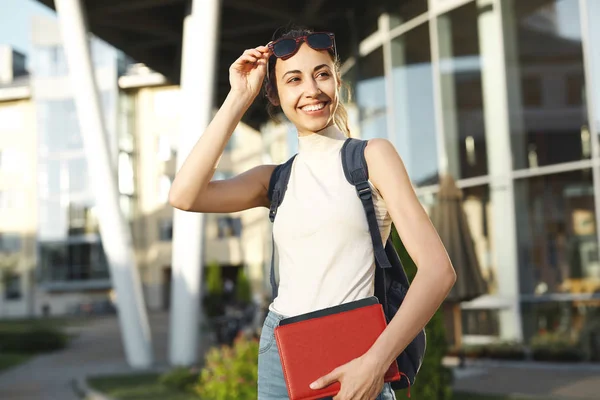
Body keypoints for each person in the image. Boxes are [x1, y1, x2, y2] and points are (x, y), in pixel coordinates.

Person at [169, 27, 456, 400]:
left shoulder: (371, 158)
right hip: (281, 356)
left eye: (322, 74)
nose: (312, 90)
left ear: (337, 80)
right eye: (294, 79)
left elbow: (438, 271)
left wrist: (374, 363)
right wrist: (239, 97)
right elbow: (184, 194)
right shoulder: (275, 179)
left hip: (357, 356)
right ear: (274, 93)